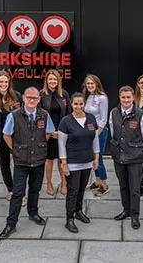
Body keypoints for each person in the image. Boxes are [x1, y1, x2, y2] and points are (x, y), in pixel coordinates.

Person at [0, 87, 55, 239]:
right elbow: (6, 135)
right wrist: (17, 149)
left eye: (35, 98)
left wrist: (39, 145)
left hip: (38, 160)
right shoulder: (14, 115)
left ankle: (33, 213)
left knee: (35, 189)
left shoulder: (44, 115)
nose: (32, 100)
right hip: (21, 161)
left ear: (39, 100)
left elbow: (48, 132)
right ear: (23, 98)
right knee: (17, 193)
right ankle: (11, 223)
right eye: (29, 97)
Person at [109, 85, 143, 230]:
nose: (126, 100)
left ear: (133, 98)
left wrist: (136, 152)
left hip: (135, 159)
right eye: (123, 97)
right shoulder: (113, 112)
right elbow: (113, 132)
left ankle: (135, 215)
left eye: (128, 97)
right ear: (120, 98)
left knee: (134, 189)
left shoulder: (142, 115)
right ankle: (126, 210)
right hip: (119, 157)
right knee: (123, 186)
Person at [58, 93, 99, 233]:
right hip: (72, 162)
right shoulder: (66, 121)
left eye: (81, 104)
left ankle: (78, 211)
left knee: (82, 189)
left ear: (84, 104)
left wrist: (96, 158)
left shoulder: (91, 118)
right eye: (76, 104)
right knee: (72, 190)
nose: (78, 106)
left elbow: (95, 139)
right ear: (71, 104)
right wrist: (64, 163)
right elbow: (61, 144)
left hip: (87, 161)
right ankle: (69, 219)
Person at [0, 70, 27, 206]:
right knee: (4, 163)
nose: (3, 84)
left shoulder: (17, 97)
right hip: (0, 136)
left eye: (5, 81)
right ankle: (11, 189)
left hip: (16, 136)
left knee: (19, 164)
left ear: (9, 83)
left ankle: (21, 193)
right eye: (1, 81)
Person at [39, 69, 72, 196]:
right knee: (49, 159)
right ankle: (49, 183)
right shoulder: (41, 94)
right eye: (50, 79)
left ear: (58, 81)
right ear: (46, 81)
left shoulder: (64, 94)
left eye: (55, 79)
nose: (52, 81)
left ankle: (64, 183)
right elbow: (39, 116)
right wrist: (50, 131)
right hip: (47, 132)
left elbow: (69, 113)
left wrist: (63, 131)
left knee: (62, 159)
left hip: (62, 131)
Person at [83, 74, 110, 196]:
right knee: (92, 159)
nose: (90, 85)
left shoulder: (102, 97)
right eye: (88, 83)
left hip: (99, 132)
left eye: (92, 83)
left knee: (98, 160)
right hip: (89, 132)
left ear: (97, 84)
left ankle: (104, 185)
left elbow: (103, 119)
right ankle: (98, 181)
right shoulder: (87, 96)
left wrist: (96, 134)